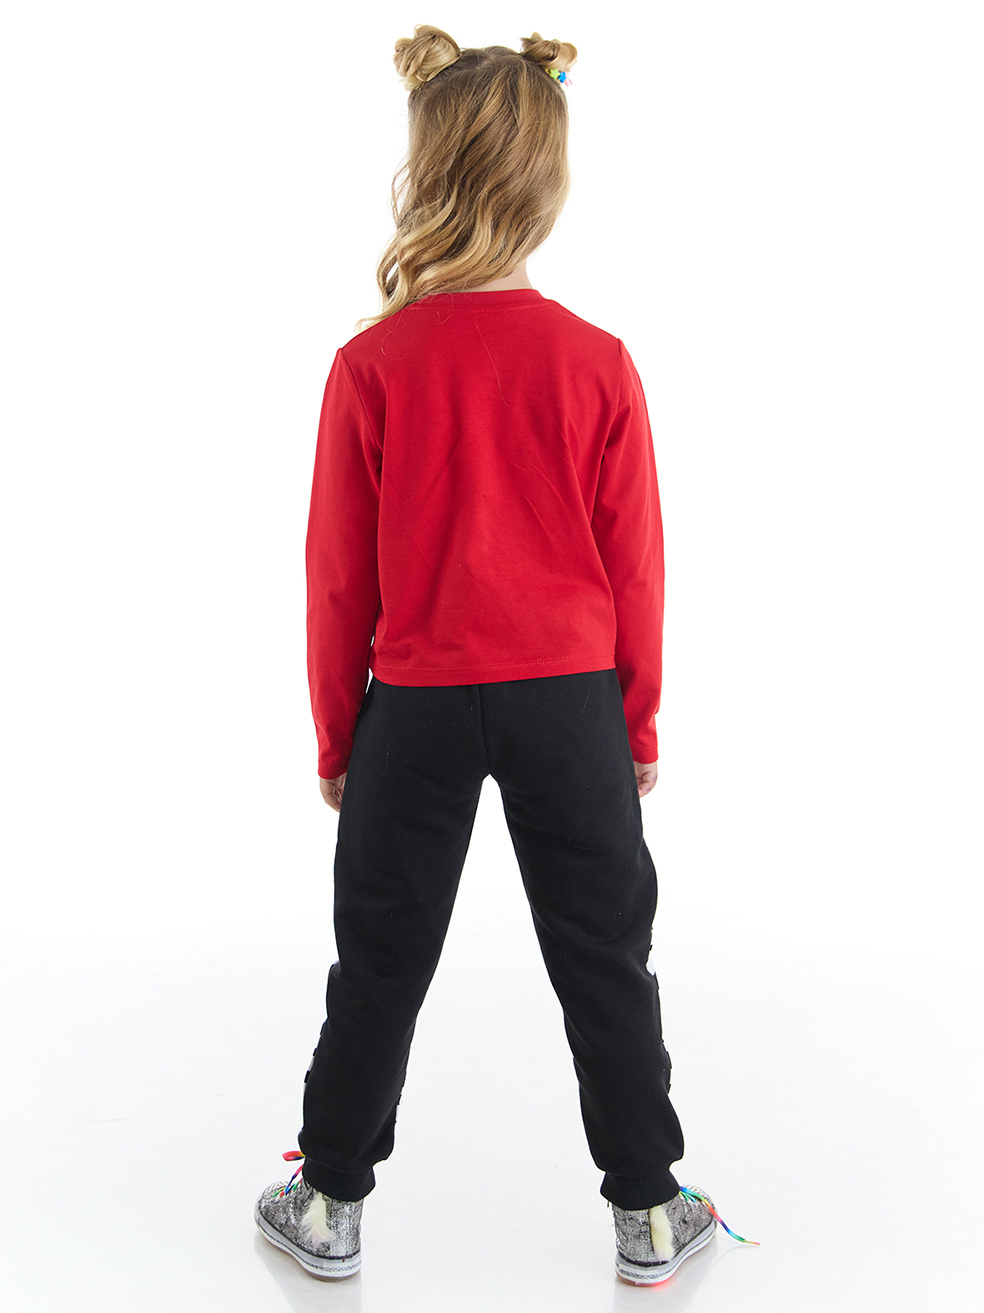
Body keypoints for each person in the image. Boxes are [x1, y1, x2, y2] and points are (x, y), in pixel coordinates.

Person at [254, 24, 757, 1286]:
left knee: (380, 956)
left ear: (425, 170)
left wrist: (337, 736)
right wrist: (636, 723)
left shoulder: (370, 364)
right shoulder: (598, 363)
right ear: (549, 179)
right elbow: (636, 567)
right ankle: (650, 1211)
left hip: (414, 705)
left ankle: (328, 1201)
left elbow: (337, 578)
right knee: (605, 954)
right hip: (570, 703)